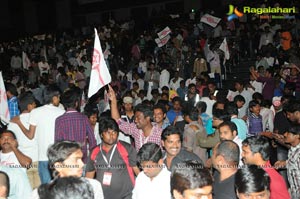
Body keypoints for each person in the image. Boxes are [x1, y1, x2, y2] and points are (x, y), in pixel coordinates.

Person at [10, 85, 65, 184]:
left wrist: (19, 123)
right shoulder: (62, 112)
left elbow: (30, 135)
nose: (60, 100)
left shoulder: (35, 112)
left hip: (43, 156)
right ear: (54, 98)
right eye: (59, 97)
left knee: (45, 189)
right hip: (58, 156)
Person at [85, 117, 139, 199]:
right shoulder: (94, 152)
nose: (112, 136)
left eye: (114, 132)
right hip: (103, 196)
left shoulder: (127, 148)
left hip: (126, 195)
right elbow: (89, 178)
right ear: (101, 135)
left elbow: (138, 172)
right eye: (108, 132)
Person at [31, 140, 104, 199]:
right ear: (58, 166)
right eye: (76, 160)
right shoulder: (41, 194)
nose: (82, 164)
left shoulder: (93, 186)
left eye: (81, 159)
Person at [109, 85, 162, 151]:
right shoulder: (136, 130)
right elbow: (117, 122)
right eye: (135, 117)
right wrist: (113, 100)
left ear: (147, 118)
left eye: (138, 118)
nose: (135, 120)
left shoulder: (159, 134)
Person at [7, 92, 40, 189]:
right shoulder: (37, 119)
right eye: (34, 104)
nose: (35, 107)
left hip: (22, 161)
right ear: (29, 106)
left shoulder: (12, 123)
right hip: (38, 158)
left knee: (27, 192)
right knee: (39, 193)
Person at [54, 88, 96, 163]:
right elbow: (92, 140)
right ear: (76, 103)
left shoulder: (59, 120)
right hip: (82, 159)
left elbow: (58, 143)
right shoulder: (84, 118)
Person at [274, 125, 300, 199]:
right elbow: (294, 164)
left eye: (288, 133)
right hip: (294, 191)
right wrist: (284, 163)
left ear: (297, 136)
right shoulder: (293, 149)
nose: (285, 134)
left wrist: (285, 163)